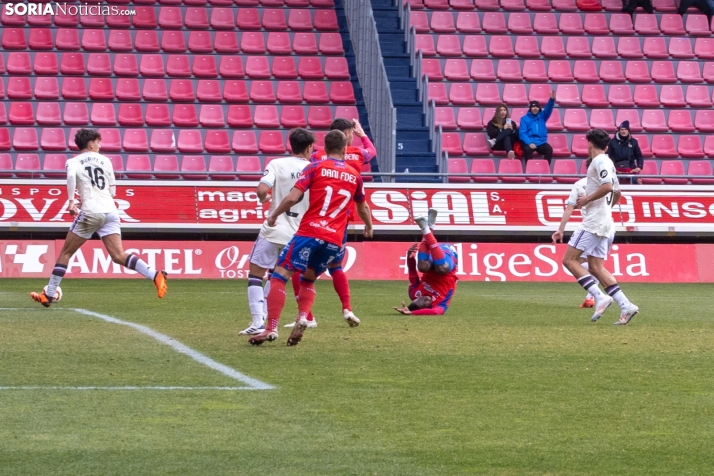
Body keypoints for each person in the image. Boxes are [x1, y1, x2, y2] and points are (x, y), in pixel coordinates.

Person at [249, 130, 374, 346]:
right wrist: (369, 227)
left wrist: (274, 215)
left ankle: (270, 328)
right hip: (335, 240)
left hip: (310, 232)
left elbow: (292, 198)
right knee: (308, 278)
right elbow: (362, 206)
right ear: (345, 149)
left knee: (279, 275)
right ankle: (303, 316)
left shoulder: (315, 167)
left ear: (324, 149)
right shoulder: (355, 175)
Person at [30, 129, 167, 307]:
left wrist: (72, 202)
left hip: (91, 212)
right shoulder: (106, 160)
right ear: (91, 143)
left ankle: (48, 294)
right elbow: (112, 191)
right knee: (118, 255)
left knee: (66, 253)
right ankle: (154, 274)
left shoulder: (73, 161)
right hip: (110, 211)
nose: (100, 146)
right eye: (98, 142)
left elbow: (71, 176)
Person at [556, 129, 639, 325]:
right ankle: (626, 304)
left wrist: (587, 200)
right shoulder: (608, 162)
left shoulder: (599, 161)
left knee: (569, 260)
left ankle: (599, 296)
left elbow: (608, 187)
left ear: (590, 143)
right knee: (595, 266)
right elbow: (617, 192)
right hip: (606, 222)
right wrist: (605, 207)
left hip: (593, 223)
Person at [301, 118, 377, 328]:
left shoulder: (317, 156)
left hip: (315, 220)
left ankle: (307, 317)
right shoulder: (358, 154)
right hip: (340, 221)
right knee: (336, 265)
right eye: (352, 133)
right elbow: (372, 151)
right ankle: (347, 309)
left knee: (301, 269)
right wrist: (363, 135)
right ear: (347, 135)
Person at [239, 128, 315, 336]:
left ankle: (258, 322)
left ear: (291, 145)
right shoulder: (314, 168)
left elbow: (262, 190)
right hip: (299, 234)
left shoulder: (276, 164)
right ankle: (284, 319)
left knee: (256, 274)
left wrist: (264, 199)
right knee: (279, 277)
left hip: (273, 230)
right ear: (310, 148)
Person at [551, 170, 613, 309]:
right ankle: (595, 297)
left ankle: (595, 296)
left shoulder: (579, 184)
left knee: (573, 261)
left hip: (592, 227)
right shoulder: (607, 182)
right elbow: (617, 196)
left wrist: (561, 229)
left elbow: (569, 208)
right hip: (609, 226)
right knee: (595, 266)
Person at [392, 209, 459, 316]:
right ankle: (428, 228)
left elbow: (412, 273)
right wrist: (412, 313)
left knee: (422, 267)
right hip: (448, 258)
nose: (425, 299)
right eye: (425, 303)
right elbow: (436, 312)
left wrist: (409, 257)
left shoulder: (414, 293)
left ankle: (426, 227)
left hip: (433, 261)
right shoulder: (440, 305)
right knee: (441, 269)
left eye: (421, 299)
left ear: (417, 298)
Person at [519, 91, 556, 165]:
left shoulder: (542, 117)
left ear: (539, 108)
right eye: (533, 107)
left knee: (549, 149)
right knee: (527, 149)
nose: (535, 108)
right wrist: (529, 143)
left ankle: (545, 170)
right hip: (529, 142)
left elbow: (548, 109)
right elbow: (522, 133)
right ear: (530, 108)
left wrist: (551, 100)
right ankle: (529, 171)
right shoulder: (524, 119)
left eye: (536, 107)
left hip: (540, 142)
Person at [608, 121, 644, 185]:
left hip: (631, 169)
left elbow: (639, 156)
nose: (623, 131)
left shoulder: (634, 142)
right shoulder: (612, 142)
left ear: (628, 131)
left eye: (625, 129)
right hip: (616, 169)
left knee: (637, 182)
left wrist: (639, 167)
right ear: (619, 131)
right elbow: (608, 156)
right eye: (622, 129)